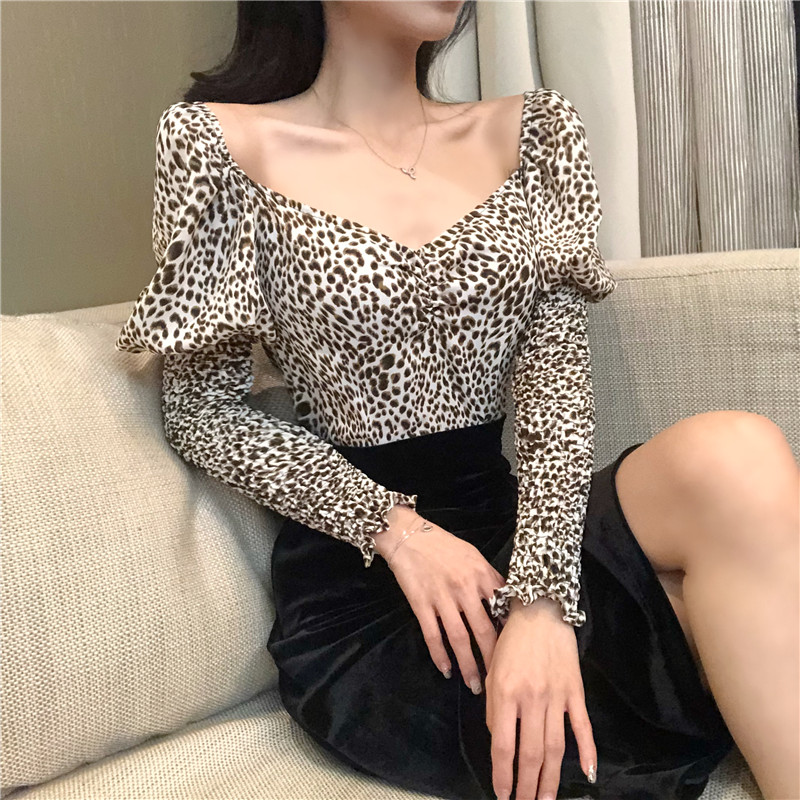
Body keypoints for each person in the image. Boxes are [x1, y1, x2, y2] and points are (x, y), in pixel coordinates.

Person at [115, 2, 800, 799]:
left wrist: (542, 603)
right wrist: (395, 529)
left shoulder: (536, 133)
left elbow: (554, 396)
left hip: (518, 537)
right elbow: (204, 411)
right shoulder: (216, 143)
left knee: (736, 455)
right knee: (719, 630)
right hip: (370, 591)